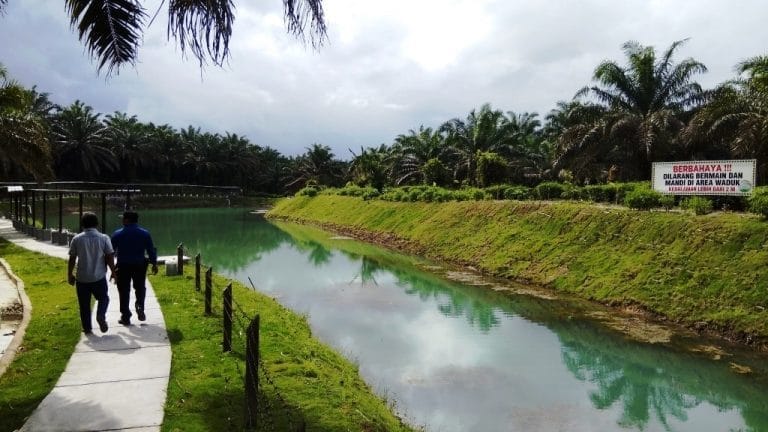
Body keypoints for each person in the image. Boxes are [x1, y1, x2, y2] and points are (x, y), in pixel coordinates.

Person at [68, 212, 116, 334]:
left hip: (82, 278)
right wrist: (113, 272)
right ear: (96, 224)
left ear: (82, 224)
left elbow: (72, 258)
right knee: (104, 298)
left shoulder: (76, 239)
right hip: (98, 276)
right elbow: (110, 256)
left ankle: (87, 328)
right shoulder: (104, 238)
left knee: (84, 305)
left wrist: (70, 274)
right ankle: (100, 315)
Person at [111, 211, 158, 325]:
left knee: (123, 291)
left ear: (127, 220)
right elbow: (151, 250)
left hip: (123, 265)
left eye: (123, 218)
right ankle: (140, 305)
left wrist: (112, 270)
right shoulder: (145, 233)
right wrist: (154, 263)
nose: (122, 220)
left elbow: (110, 253)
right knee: (140, 287)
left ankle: (125, 316)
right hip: (139, 265)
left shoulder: (117, 234)